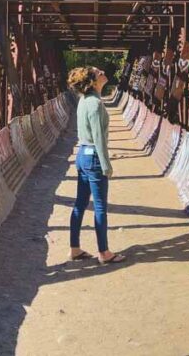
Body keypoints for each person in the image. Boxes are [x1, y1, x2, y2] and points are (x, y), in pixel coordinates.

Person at [68, 66, 126, 265]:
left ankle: (75, 248)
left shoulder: (83, 101)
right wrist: (106, 164)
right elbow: (99, 137)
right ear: (93, 81)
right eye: (99, 72)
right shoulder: (95, 104)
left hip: (82, 155)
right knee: (100, 207)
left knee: (80, 204)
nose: (103, 71)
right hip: (93, 157)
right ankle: (104, 252)